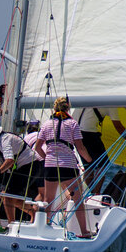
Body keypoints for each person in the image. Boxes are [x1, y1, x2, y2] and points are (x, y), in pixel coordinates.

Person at [35, 96, 92, 237]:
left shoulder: (47, 124)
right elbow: (80, 148)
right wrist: (90, 161)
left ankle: (44, 229)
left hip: (50, 165)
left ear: (54, 108)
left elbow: (37, 147)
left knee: (48, 200)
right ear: (68, 108)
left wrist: (47, 158)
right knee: (78, 200)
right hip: (68, 166)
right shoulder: (72, 124)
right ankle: (84, 231)